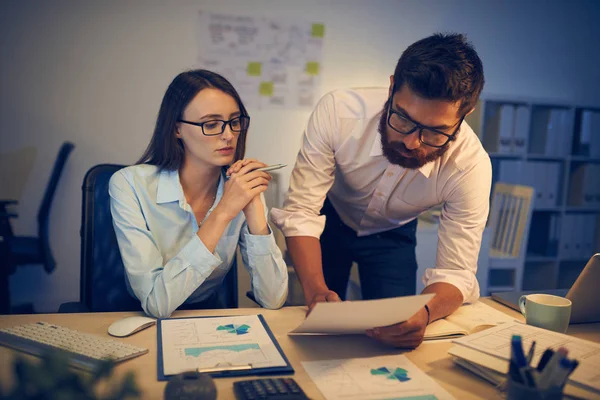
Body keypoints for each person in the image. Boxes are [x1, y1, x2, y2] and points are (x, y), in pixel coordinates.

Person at [271, 33, 491, 348]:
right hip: (329, 221)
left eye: (436, 132)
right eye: (403, 119)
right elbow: (302, 211)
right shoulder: (339, 112)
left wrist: (424, 313)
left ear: (463, 117)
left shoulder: (470, 166)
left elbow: (456, 272)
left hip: (394, 236)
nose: (412, 143)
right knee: (316, 331)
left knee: (394, 336)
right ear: (391, 88)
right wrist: (316, 290)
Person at [109, 69, 288, 319]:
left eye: (234, 122)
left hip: (208, 319)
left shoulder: (238, 185)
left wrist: (256, 212)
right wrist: (224, 211)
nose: (228, 135)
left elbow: (273, 299)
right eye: (211, 124)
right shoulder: (129, 184)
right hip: (138, 319)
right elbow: (156, 304)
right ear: (176, 129)